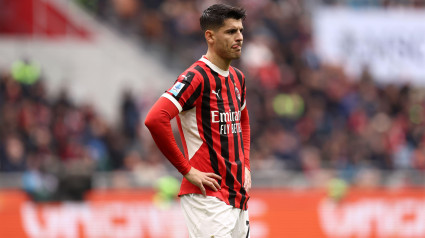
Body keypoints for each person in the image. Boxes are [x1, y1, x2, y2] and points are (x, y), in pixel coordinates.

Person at [144, 3, 251, 237]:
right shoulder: (195, 77)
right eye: (231, 32)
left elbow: (243, 121)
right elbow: (155, 119)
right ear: (210, 36)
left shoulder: (237, 78)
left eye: (241, 30)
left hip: (237, 194)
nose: (240, 37)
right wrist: (187, 170)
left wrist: (246, 165)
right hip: (207, 196)